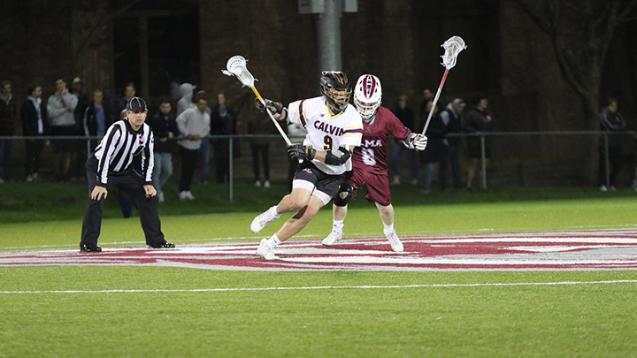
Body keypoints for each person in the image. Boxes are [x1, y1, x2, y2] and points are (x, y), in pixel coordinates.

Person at [250, 71, 363, 260]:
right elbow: (286, 115)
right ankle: (271, 213)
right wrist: (273, 108)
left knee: (308, 212)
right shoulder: (311, 106)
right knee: (299, 201)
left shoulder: (353, 117)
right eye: (337, 92)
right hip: (312, 165)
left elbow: (341, 157)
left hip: (335, 173)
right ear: (326, 91)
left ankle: (269, 244)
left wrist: (308, 151)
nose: (341, 96)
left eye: (344, 92)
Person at [321, 75, 427, 252]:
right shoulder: (347, 114)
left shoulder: (386, 116)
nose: (366, 108)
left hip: (377, 167)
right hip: (353, 165)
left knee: (384, 207)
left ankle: (390, 232)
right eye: (363, 104)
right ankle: (336, 230)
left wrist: (415, 140)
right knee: (342, 195)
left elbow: (404, 135)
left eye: (370, 105)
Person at [80, 97, 174, 252]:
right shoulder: (117, 129)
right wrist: (101, 184)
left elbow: (148, 158)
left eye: (142, 112)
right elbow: (105, 156)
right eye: (135, 112)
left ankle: (156, 241)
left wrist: (147, 182)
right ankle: (88, 243)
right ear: (127, 114)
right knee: (96, 198)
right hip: (99, 167)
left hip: (124, 170)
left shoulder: (147, 130)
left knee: (148, 197)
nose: (139, 116)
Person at [176, 93, 210, 200]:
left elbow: (206, 129)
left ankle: (187, 190)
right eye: (201, 104)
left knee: (191, 169)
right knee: (185, 168)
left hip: (196, 145)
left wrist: (199, 136)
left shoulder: (206, 116)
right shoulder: (190, 112)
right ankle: (182, 190)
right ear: (197, 104)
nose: (202, 106)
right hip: (185, 145)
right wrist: (187, 134)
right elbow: (179, 120)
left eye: (204, 104)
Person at [47, 79, 78, 180]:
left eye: (61, 83)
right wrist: (64, 110)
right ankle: (56, 174)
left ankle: (65, 175)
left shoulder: (72, 97)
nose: (59, 85)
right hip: (57, 128)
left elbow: (72, 107)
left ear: (65, 84)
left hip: (69, 127)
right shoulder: (52, 98)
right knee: (57, 152)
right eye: (57, 84)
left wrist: (62, 101)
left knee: (67, 152)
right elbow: (51, 113)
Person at [150, 98, 178, 202]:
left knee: (168, 171)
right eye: (164, 107)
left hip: (167, 149)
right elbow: (157, 131)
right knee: (156, 172)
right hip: (157, 149)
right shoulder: (156, 118)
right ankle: (159, 194)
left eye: (167, 107)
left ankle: (156, 189)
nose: (166, 109)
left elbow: (175, 131)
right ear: (160, 108)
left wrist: (170, 134)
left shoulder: (172, 118)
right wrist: (166, 134)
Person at [464, 96, 494, 190]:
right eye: (483, 101)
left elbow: (491, 125)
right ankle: (469, 185)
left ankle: (483, 185)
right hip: (475, 142)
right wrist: (475, 133)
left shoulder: (488, 114)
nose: (485, 103)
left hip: (486, 142)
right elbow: (466, 126)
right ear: (479, 102)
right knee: (473, 163)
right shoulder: (471, 114)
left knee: (485, 163)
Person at [389, 94, 419, 185]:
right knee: (395, 157)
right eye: (400, 101)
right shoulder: (396, 112)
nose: (402, 103)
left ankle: (414, 178)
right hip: (398, 140)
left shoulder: (410, 112)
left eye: (403, 101)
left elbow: (411, 126)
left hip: (408, 139)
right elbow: (393, 126)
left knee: (412, 158)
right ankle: (396, 177)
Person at [21, 85, 49, 182]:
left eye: (40, 90)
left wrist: (46, 133)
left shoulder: (41, 104)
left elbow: (45, 119)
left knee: (38, 154)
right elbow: (26, 121)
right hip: (32, 133)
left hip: (40, 132)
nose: (39, 92)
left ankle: (35, 173)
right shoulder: (27, 104)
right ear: (32, 92)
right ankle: (28, 174)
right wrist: (29, 134)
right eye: (37, 90)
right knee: (30, 155)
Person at [598, 97, 626, 191]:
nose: (615, 107)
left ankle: (612, 183)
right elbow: (609, 126)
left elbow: (623, 125)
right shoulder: (603, 115)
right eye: (613, 105)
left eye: (616, 105)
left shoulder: (618, 115)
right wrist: (617, 128)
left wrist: (618, 128)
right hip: (605, 144)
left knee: (617, 164)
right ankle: (603, 184)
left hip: (615, 144)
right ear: (608, 106)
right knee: (604, 165)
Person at [419, 100, 446, 193]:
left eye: (434, 106)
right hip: (428, 146)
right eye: (430, 106)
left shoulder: (438, 118)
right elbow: (426, 131)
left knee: (438, 168)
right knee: (428, 167)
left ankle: (440, 186)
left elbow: (442, 130)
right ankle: (426, 188)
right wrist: (436, 132)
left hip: (437, 146)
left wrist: (436, 133)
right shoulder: (424, 119)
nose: (433, 108)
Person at [439, 98, 465, 189]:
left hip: (454, 143)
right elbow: (441, 128)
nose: (461, 109)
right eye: (460, 107)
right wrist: (444, 140)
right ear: (455, 106)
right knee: (445, 165)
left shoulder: (457, 115)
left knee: (455, 164)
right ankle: (443, 185)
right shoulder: (446, 114)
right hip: (446, 143)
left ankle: (457, 184)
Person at [210, 92, 236, 184]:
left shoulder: (229, 110)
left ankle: (229, 179)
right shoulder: (214, 111)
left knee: (228, 160)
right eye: (218, 98)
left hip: (228, 139)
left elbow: (232, 124)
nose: (220, 100)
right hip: (218, 138)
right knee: (219, 159)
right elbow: (213, 123)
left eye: (222, 98)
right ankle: (220, 179)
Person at [71, 77, 90, 180]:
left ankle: (81, 173)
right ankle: (73, 174)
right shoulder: (69, 96)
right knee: (72, 152)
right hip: (71, 128)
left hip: (82, 129)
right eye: (75, 84)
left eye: (79, 84)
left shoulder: (84, 98)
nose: (77, 86)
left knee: (82, 152)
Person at [83, 89, 111, 154]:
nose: (98, 98)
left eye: (100, 96)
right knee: (94, 152)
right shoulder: (89, 109)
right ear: (93, 97)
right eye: (96, 96)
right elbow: (85, 123)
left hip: (104, 134)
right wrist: (88, 134)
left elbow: (109, 121)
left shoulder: (106, 108)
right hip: (94, 135)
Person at [0, 81, 16, 183]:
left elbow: (14, 114)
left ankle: (7, 176)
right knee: (0, 155)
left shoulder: (13, 100)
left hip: (10, 131)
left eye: (9, 88)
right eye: (6, 88)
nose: (8, 90)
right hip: (1, 132)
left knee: (8, 155)